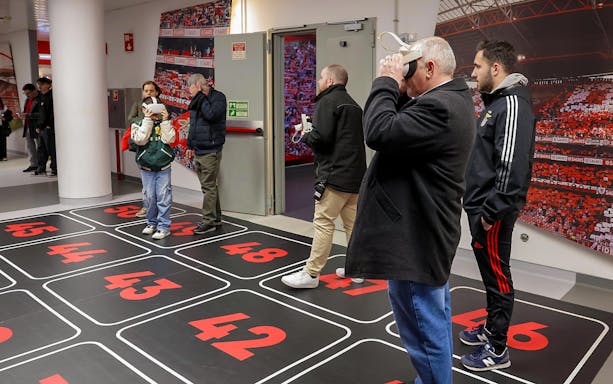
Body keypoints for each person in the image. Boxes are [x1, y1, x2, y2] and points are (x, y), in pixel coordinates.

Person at [344, 36, 476, 383]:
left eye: (411, 68)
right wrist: (402, 86)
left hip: (416, 240)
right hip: (422, 233)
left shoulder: (440, 107)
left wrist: (386, 81)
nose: (405, 75)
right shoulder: (449, 99)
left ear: (430, 68)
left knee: (423, 329)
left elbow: (378, 131)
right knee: (433, 318)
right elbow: (402, 126)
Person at [460, 40, 536, 372]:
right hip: (481, 209)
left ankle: (497, 349)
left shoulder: (513, 104)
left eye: (477, 66)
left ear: (495, 68)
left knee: (498, 278)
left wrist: (490, 213)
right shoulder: (498, 103)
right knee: (492, 276)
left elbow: (512, 168)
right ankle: (491, 329)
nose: (473, 72)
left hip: (491, 213)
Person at [281, 64, 366, 289]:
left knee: (323, 223)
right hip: (356, 177)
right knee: (353, 225)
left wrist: (306, 132)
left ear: (329, 81)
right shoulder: (355, 106)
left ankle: (311, 274)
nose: (318, 82)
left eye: (320, 78)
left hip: (334, 176)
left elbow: (322, 139)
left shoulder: (327, 102)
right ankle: (356, 269)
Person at [185, 73, 227, 235]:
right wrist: (189, 145)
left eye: (190, 85)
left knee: (208, 186)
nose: (189, 89)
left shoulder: (218, 98)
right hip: (199, 148)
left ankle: (208, 221)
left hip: (212, 148)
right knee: (208, 186)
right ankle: (216, 218)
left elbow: (211, 115)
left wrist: (201, 97)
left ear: (198, 84)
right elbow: (193, 124)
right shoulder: (197, 100)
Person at [131, 96, 176, 240]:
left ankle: (164, 227)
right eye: (151, 110)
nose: (154, 113)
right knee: (149, 197)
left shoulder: (164, 123)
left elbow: (170, 139)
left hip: (163, 167)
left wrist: (165, 120)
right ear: (144, 110)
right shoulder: (137, 124)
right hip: (146, 168)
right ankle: (151, 223)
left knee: (163, 197)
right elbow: (140, 139)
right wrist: (148, 120)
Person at [127, 80, 163, 218]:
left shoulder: (161, 106)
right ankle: (146, 206)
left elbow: (165, 121)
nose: (148, 93)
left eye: (151, 90)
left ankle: (159, 207)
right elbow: (130, 118)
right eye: (146, 90)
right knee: (146, 180)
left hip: (159, 147)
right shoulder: (138, 104)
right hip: (142, 146)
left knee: (161, 182)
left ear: (157, 92)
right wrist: (144, 122)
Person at [34, 77, 56, 176]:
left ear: (48, 85)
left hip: (49, 128)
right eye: (38, 85)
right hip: (41, 128)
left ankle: (55, 168)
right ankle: (41, 167)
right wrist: (38, 126)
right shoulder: (40, 97)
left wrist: (49, 125)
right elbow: (41, 114)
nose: (40, 87)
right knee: (41, 149)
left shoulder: (52, 96)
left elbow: (52, 113)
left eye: (41, 84)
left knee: (52, 149)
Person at [20, 84, 41, 172]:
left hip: (38, 126)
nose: (27, 95)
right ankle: (33, 164)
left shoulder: (40, 99)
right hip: (28, 125)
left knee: (40, 146)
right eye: (25, 94)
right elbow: (27, 111)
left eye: (28, 93)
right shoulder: (27, 100)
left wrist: (29, 115)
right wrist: (23, 115)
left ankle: (41, 165)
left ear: (34, 91)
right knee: (30, 146)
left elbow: (42, 114)